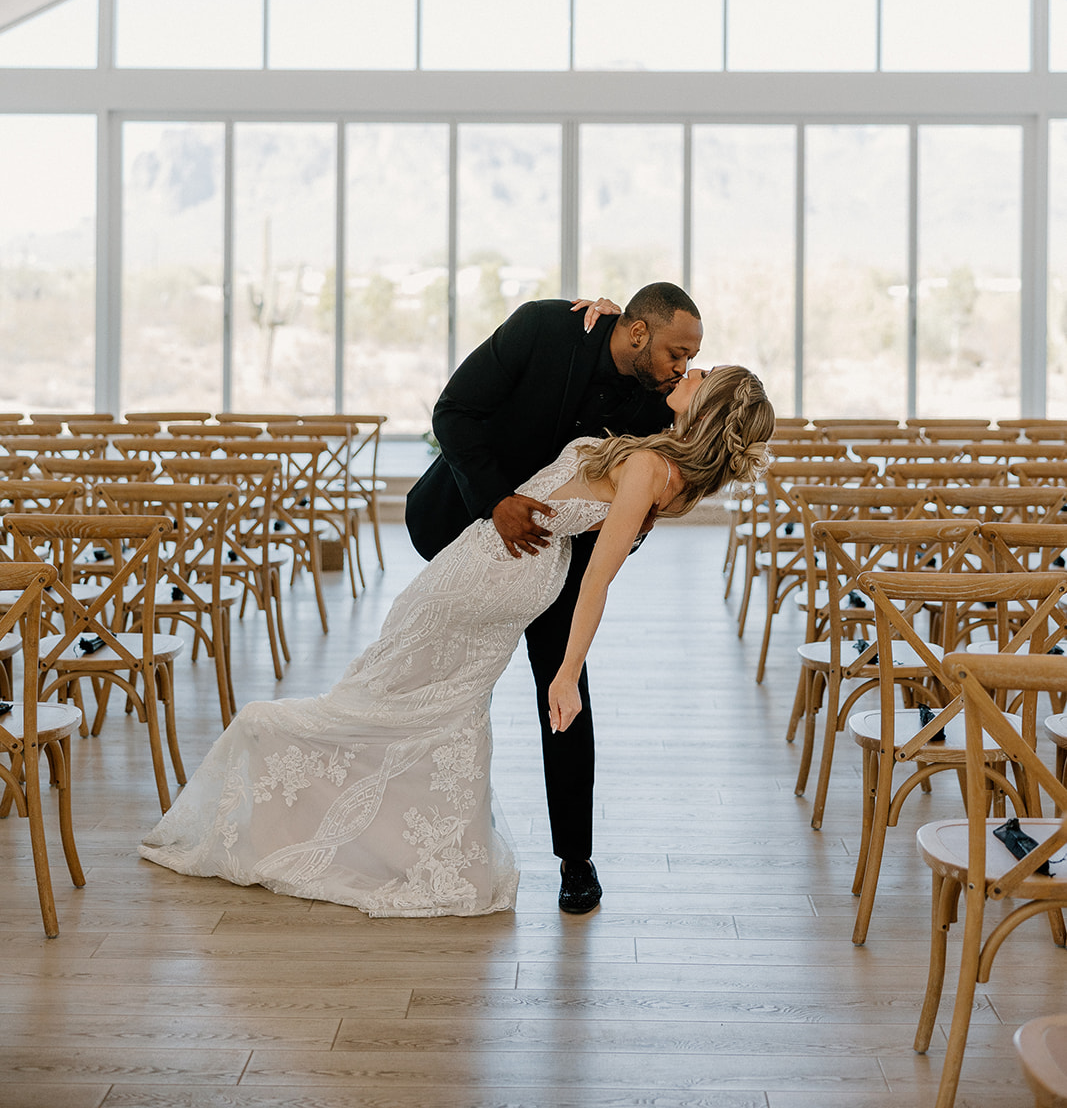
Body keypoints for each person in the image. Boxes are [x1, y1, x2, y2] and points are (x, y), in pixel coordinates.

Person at [140, 366, 774, 919]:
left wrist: (565, 673)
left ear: (707, 407)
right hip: (526, 570)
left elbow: (599, 580)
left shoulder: (646, 466)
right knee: (442, 704)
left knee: (379, 688)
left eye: (700, 376)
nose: (688, 372)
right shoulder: (677, 480)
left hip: (494, 565)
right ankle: (443, 856)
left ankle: (268, 743)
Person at [405, 283, 704, 913]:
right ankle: (416, 828)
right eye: (677, 352)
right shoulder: (545, 327)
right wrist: (496, 501)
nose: (682, 367)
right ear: (638, 331)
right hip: (461, 521)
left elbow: (628, 511)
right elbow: (452, 412)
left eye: (691, 357)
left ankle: (575, 859)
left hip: (558, 562)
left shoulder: (654, 410)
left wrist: (644, 501)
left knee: (565, 689)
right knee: (443, 682)